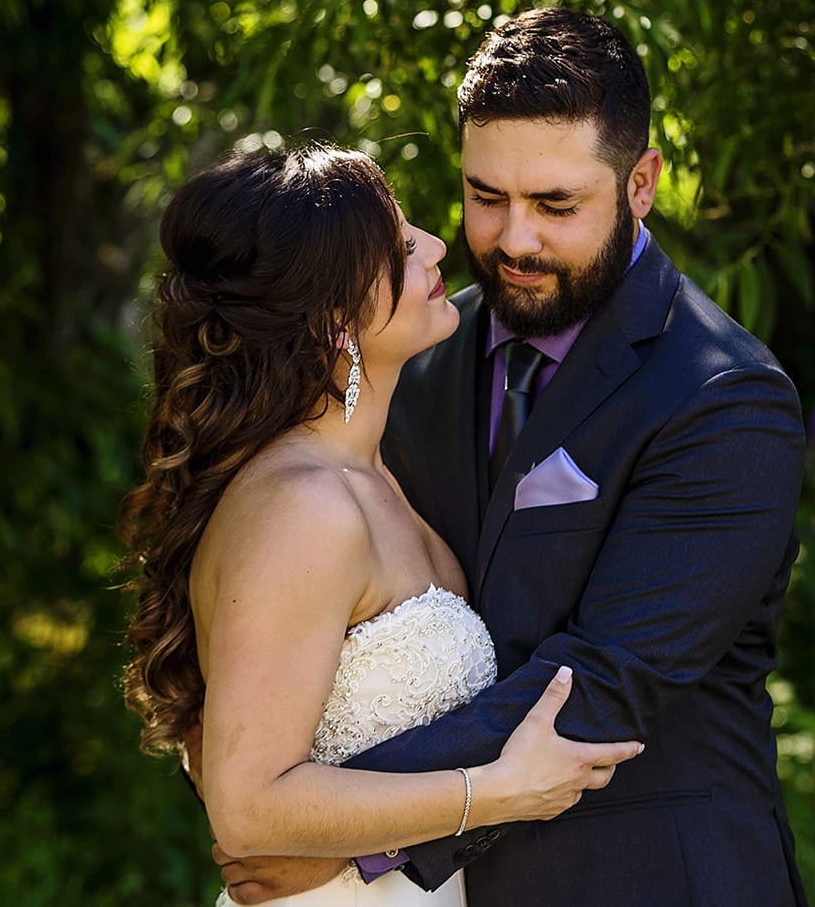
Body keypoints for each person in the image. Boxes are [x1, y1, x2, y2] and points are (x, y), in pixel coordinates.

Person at [216, 8, 810, 906]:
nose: (514, 239)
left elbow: (602, 684)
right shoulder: (410, 361)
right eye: (486, 196)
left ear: (640, 183)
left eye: (555, 204)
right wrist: (249, 777)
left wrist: (323, 834)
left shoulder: (722, 397)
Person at [118, 145, 645, 906]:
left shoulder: (372, 473)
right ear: (334, 320)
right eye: (399, 245)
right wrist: (496, 791)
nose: (435, 245)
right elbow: (247, 804)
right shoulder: (304, 508)